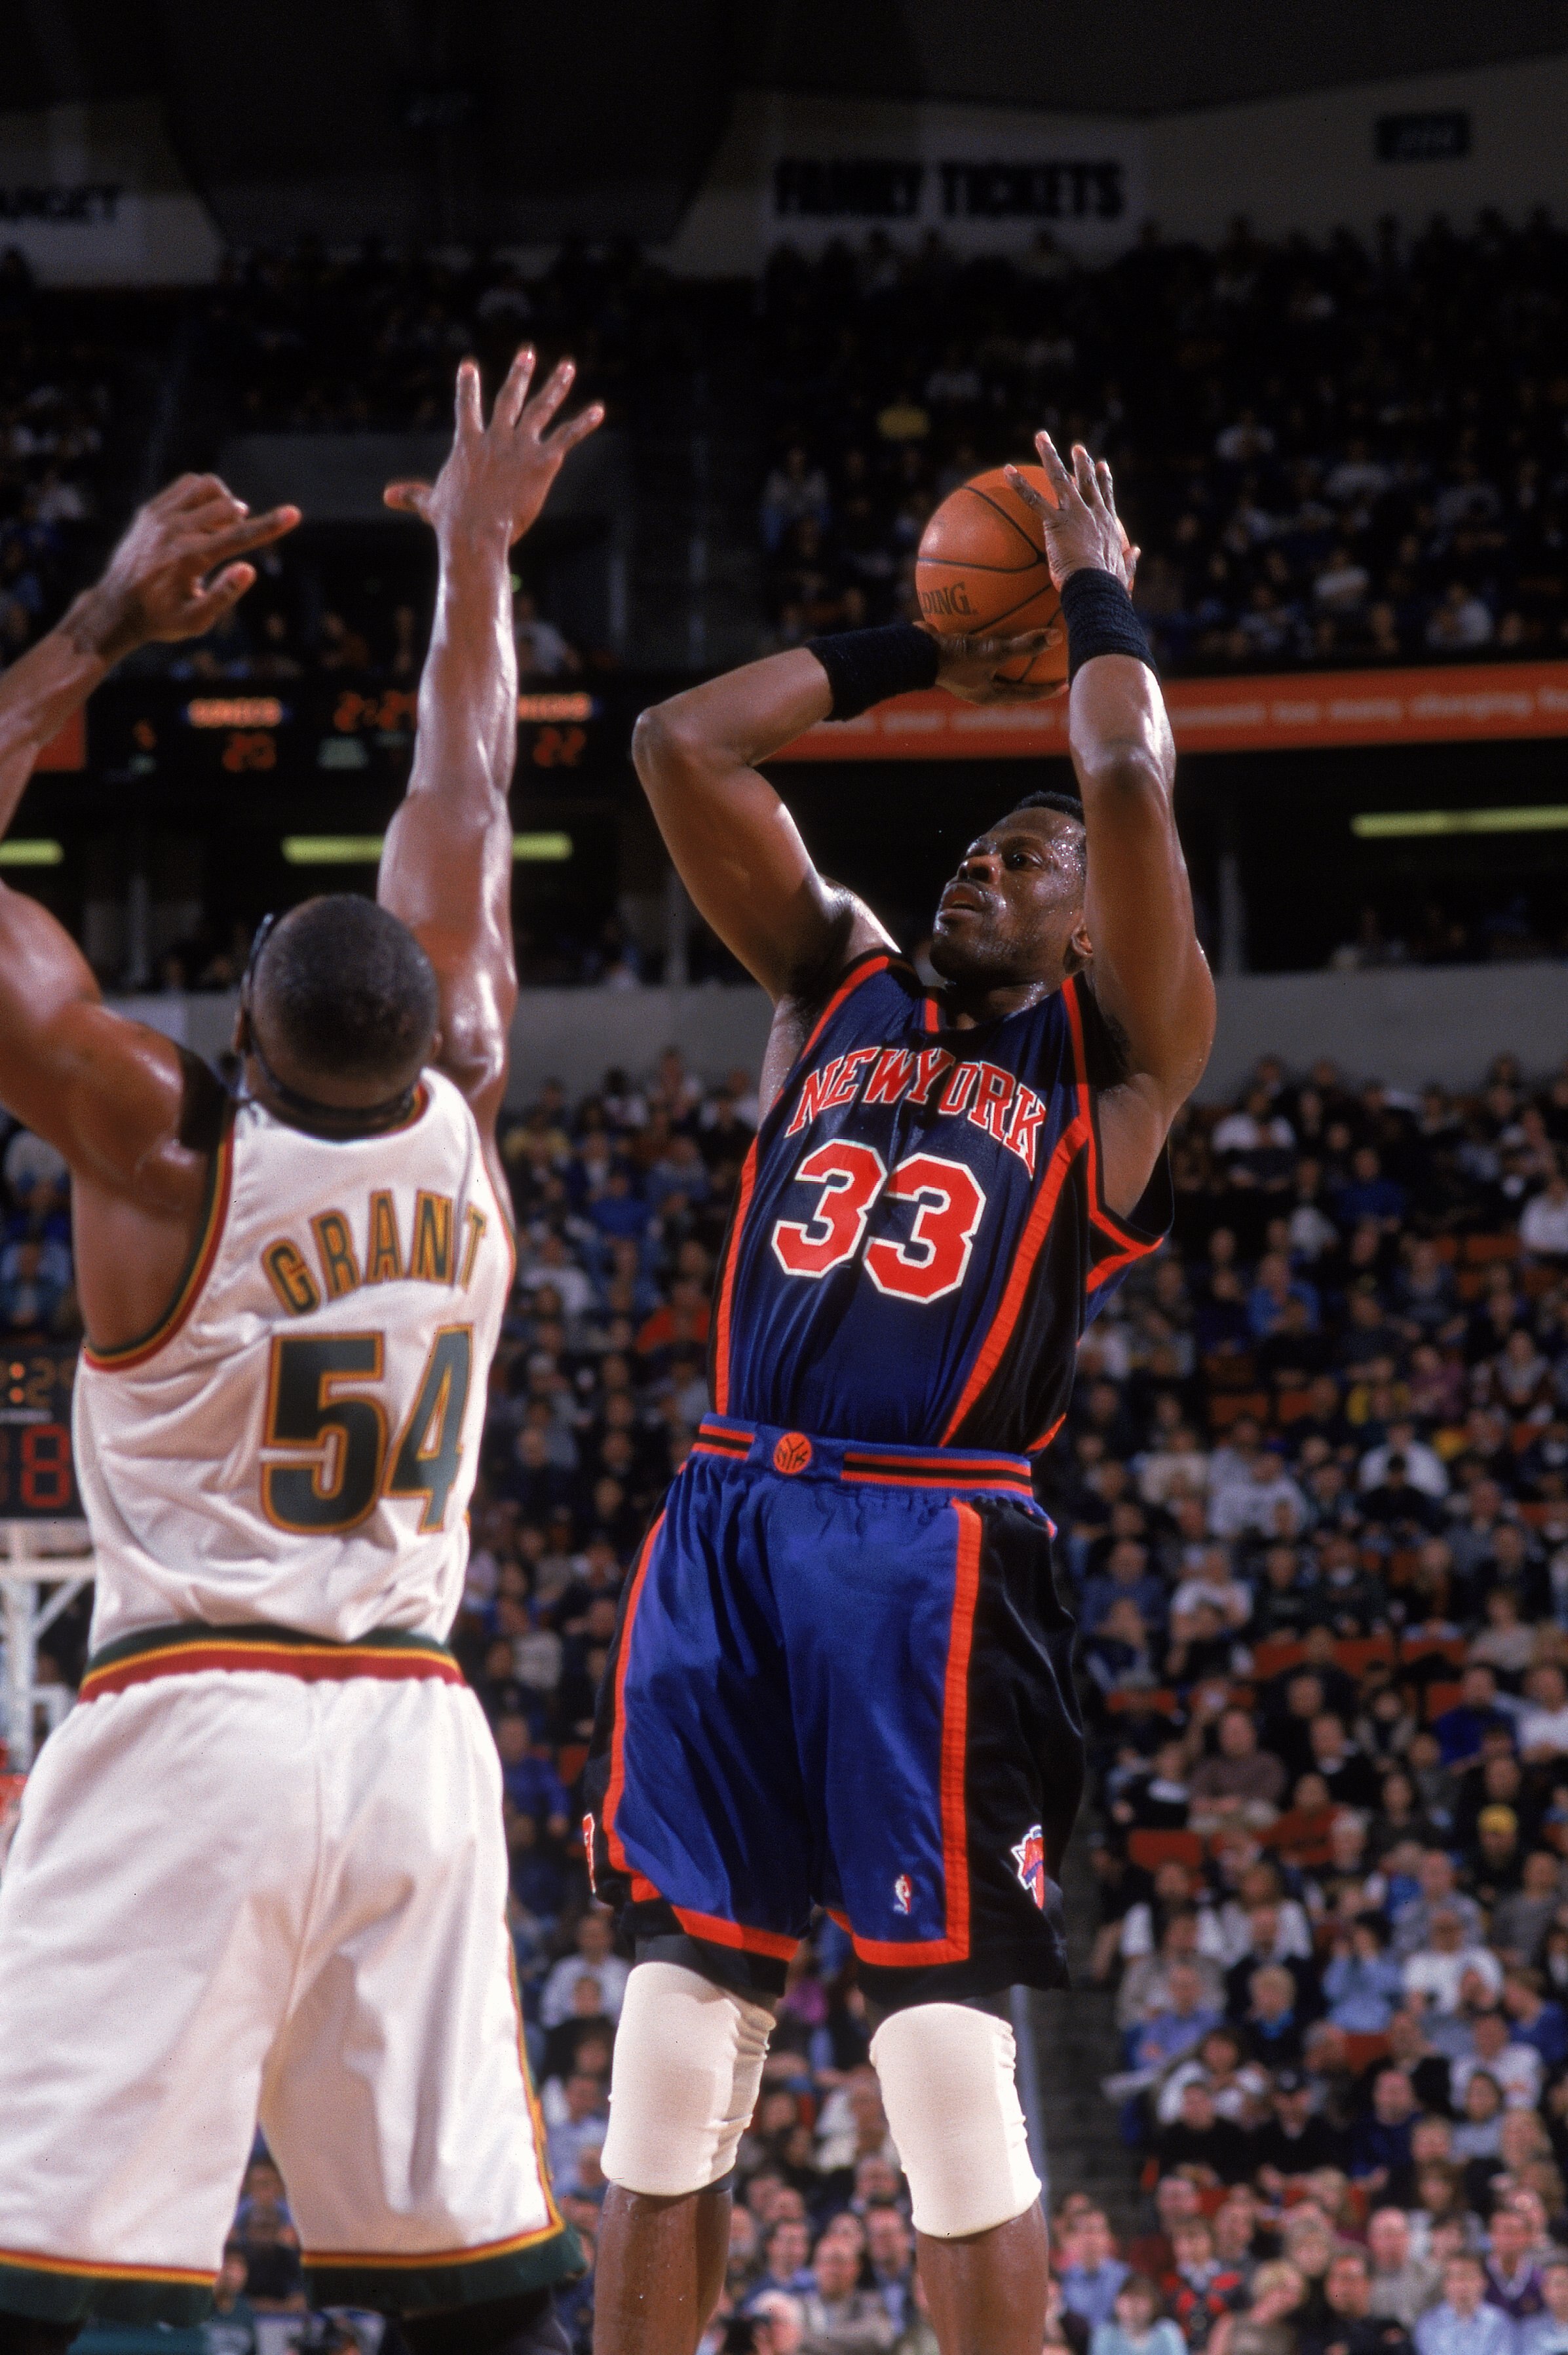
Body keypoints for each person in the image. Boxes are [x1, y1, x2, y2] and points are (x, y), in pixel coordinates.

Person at [584, 433, 1214, 2355]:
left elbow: (1115, 770)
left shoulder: (1116, 1064)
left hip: (922, 1536)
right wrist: (925, 647)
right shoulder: (830, 979)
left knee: (943, 2068)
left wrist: (1088, 587)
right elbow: (681, 746)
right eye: (969, 842)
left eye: (1021, 862)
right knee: (668, 2045)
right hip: (720, 1519)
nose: (983, 860)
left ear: (1082, 922)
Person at [0, 351, 603, 2351]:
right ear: (430, 1022)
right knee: (478, 2294)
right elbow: (468, 786)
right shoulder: (477, 1090)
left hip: (195, 1725)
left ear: (248, 1028)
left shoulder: (161, 1146)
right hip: (416, 1739)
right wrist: (471, 560)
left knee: (81, 2282)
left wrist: (96, 625)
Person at [1413, 2257, 1514, 2355]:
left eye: (1469, 2277)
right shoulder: (1428, 2325)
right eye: (1456, 2277)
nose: (1463, 2285)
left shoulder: (1500, 2323)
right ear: (1445, 2284)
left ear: (1483, 2282)